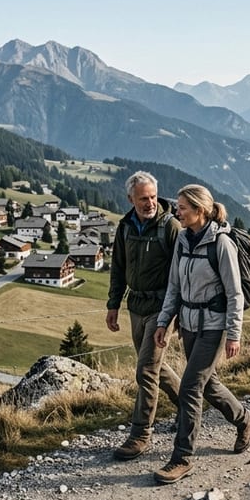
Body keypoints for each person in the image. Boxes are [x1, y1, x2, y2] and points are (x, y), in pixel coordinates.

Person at [152, 185, 250, 484]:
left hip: (214, 326)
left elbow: (235, 294)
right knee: (207, 383)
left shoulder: (221, 244)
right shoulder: (183, 240)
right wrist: (164, 322)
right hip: (187, 324)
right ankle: (245, 419)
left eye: (183, 207)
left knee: (189, 387)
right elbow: (174, 286)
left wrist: (234, 334)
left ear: (199, 210)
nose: (177, 211)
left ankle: (182, 458)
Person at [105, 171, 185, 461]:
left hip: (163, 309)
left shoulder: (171, 227)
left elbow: (182, 272)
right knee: (155, 367)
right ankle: (187, 406)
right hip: (135, 307)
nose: (149, 203)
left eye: (153, 197)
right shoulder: (125, 227)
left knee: (145, 371)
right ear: (130, 199)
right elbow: (117, 268)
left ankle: (140, 434)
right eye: (143, 198)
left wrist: (175, 312)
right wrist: (113, 305)